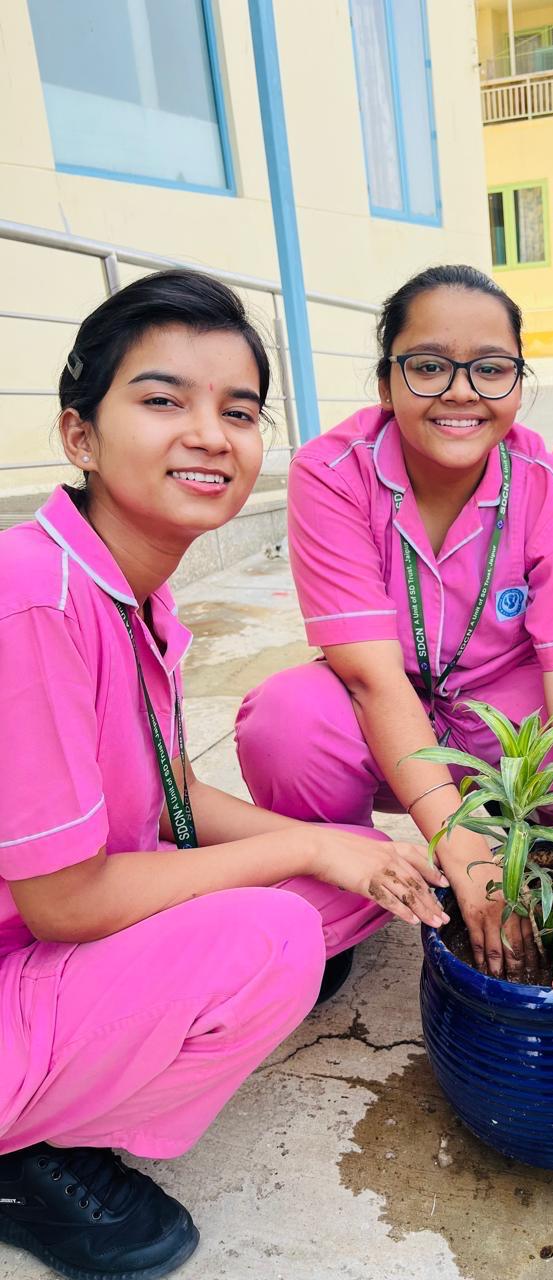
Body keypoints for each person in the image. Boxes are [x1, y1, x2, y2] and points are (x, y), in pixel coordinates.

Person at [0, 270, 446, 1280]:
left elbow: (172, 796)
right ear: (79, 435)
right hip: (38, 931)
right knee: (274, 936)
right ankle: (25, 1154)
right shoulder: (33, 595)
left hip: (58, 926)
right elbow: (66, 901)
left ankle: (130, 1022)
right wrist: (304, 848)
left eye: (238, 412)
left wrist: (337, 849)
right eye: (164, 400)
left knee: (366, 867)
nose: (209, 435)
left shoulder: (131, 590)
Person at [235, 264, 553, 977]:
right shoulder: (331, 473)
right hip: (384, 708)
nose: (461, 391)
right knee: (286, 721)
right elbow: (370, 679)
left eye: (491, 368)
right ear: (386, 381)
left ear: (518, 381)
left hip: (501, 716)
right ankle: (346, 892)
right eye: (428, 366)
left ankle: (546, 881)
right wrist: (464, 852)